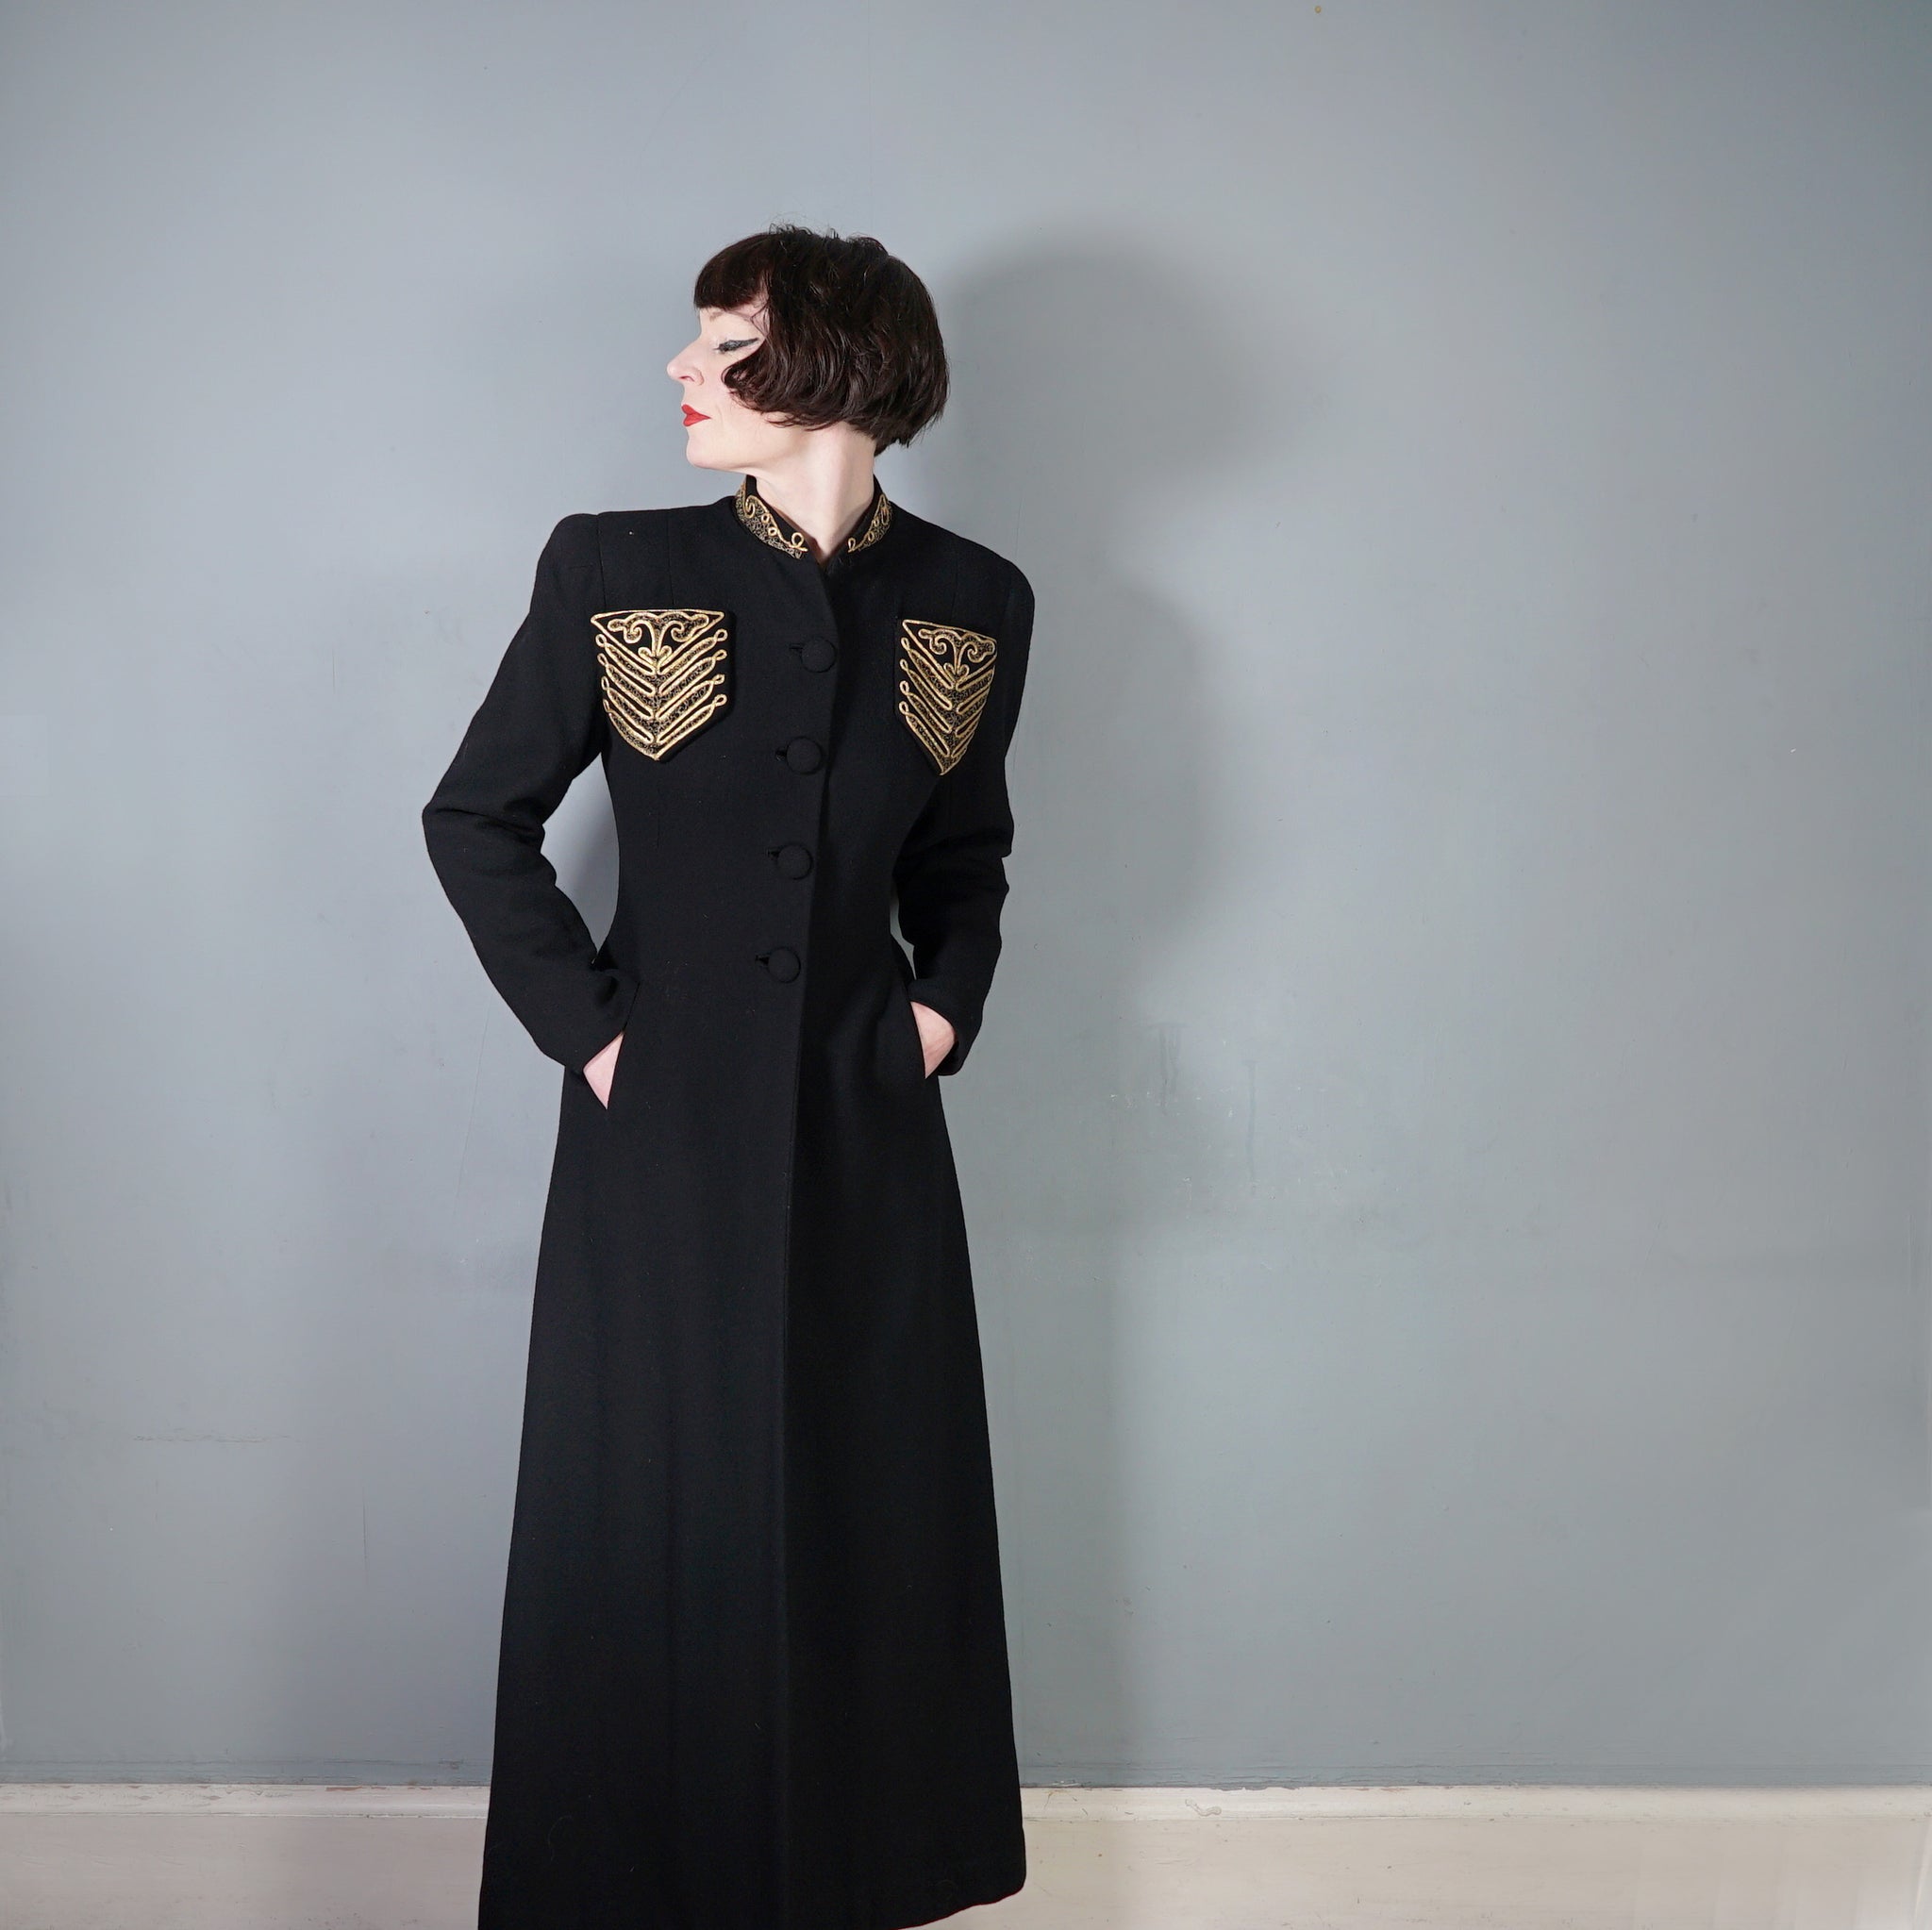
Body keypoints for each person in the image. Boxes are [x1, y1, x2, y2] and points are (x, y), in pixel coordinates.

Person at [422, 222, 1036, 1930]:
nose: (683, 370)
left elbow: (966, 857)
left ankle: (849, 1882)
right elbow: (475, 816)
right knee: (649, 1503)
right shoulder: (614, 566)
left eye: (723, 339)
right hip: (660, 1129)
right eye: (695, 341)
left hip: (868, 1124)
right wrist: (598, 1032)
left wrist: (940, 1012)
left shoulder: (976, 600)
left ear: (834, 359)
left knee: (866, 1504)